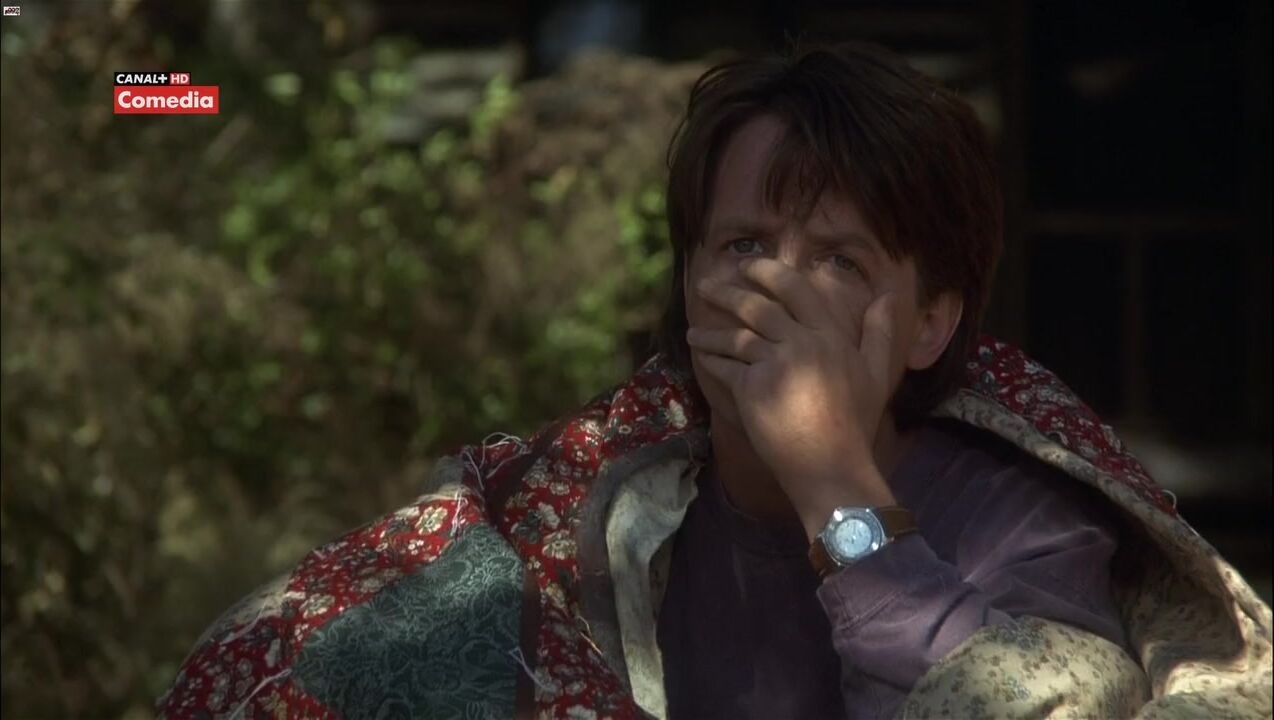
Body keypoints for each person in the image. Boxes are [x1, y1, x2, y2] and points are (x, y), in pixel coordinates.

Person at [159, 43, 1272, 720]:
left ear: (931, 322)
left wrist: (833, 486)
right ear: (689, 284)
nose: (774, 294)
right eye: (742, 247)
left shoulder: (1026, 528)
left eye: (838, 262)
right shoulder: (584, 516)